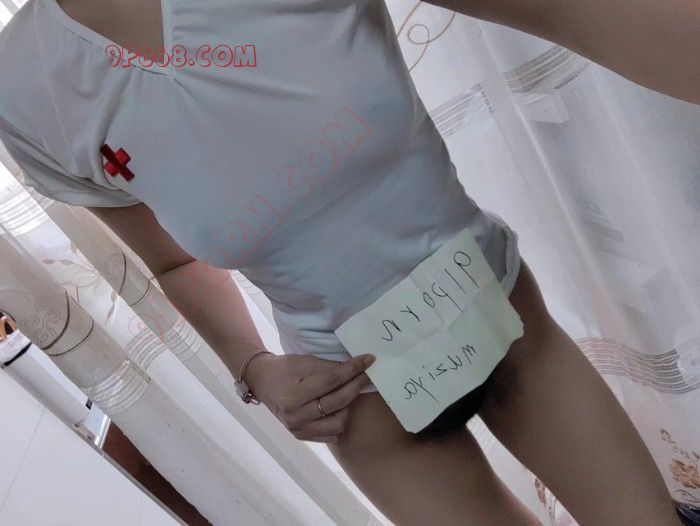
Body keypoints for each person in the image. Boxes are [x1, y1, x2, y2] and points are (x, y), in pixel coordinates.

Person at [0, 0, 695, 524]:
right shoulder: (23, 89)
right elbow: (176, 262)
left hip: (508, 331)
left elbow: (569, 11)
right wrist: (255, 368)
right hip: (359, 408)